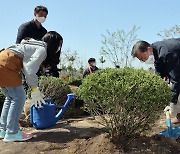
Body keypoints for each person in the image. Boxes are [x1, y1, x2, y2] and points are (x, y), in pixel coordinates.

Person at [0, 31, 63, 142]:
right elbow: (29, 71)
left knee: (10, 98)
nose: (59, 48)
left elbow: (26, 68)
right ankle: (12, 133)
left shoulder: (34, 45)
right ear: (53, 44)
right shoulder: (42, 49)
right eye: (59, 45)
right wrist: (35, 89)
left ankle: (3, 130)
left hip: (2, 61)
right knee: (19, 97)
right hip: (7, 65)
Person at [131, 39, 180, 123]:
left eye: (143, 58)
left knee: (176, 89)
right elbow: (159, 69)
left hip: (176, 66)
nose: (144, 61)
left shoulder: (167, 53)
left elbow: (176, 79)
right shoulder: (156, 51)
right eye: (141, 60)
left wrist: (172, 102)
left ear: (149, 49)